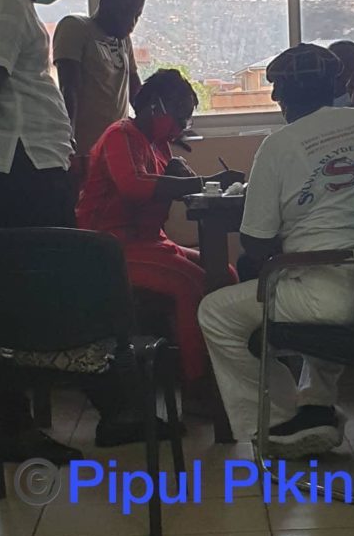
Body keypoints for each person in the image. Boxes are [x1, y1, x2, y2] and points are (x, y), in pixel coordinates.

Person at [0, 0, 146, 463]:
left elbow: (2, 88)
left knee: (38, 286)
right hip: (22, 167)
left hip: (28, 162)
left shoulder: (11, 4)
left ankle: (97, 407)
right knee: (46, 285)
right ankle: (73, 413)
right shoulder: (3, 3)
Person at [198, 43, 354, 458]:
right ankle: (316, 407)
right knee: (307, 281)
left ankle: (280, 421)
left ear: (281, 95)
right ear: (336, 85)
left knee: (216, 313)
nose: (274, 97)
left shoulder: (278, 145)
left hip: (329, 295)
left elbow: (256, 243)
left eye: (277, 91)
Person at [76, 69, 244, 382]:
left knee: (225, 273)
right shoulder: (120, 135)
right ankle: (197, 384)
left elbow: (167, 188)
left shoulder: (158, 146)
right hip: (110, 247)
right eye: (179, 115)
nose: (181, 125)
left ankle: (227, 368)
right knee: (191, 285)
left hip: (149, 241)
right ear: (155, 105)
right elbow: (133, 185)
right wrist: (205, 181)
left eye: (186, 119)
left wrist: (185, 178)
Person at [53, 0, 148, 190]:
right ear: (106, 2)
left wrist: (166, 124)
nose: (132, 22)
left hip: (117, 152)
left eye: (137, 15)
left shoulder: (124, 41)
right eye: (126, 13)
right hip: (84, 153)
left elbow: (136, 92)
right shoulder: (75, 27)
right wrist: (68, 144)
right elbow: (69, 89)